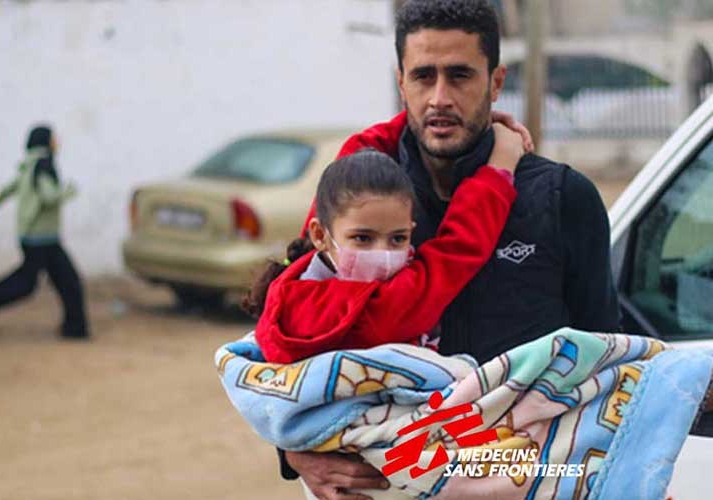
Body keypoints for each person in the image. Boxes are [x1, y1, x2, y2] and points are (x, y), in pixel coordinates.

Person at [281, 1, 621, 498]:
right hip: (384, 483)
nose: (440, 97)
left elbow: (604, 362)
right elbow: (291, 335)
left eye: (460, 76)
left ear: (496, 82)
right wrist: (295, 453)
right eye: (424, 76)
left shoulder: (562, 199)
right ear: (402, 82)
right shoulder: (359, 199)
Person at [243, 124, 522, 364]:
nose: (383, 253)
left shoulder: (293, 285)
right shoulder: (385, 308)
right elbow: (460, 244)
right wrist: (501, 164)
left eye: (398, 238)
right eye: (363, 239)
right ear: (319, 235)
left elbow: (354, 156)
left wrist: (419, 120)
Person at [0, 125, 89, 340]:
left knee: (64, 281)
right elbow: (49, 197)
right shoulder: (43, 164)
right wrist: (69, 190)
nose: (58, 143)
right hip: (41, 239)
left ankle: (74, 327)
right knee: (39, 282)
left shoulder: (29, 165)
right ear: (46, 142)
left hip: (35, 237)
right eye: (54, 139)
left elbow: (7, 190)